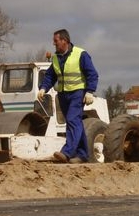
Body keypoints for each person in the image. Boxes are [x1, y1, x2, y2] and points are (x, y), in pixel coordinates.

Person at [37, 29, 99, 164]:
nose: (54, 44)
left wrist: (90, 91)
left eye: (56, 41)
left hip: (78, 93)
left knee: (72, 120)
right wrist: (43, 88)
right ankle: (82, 155)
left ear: (64, 41)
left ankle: (67, 152)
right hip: (63, 95)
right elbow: (50, 76)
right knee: (75, 123)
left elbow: (92, 74)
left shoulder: (81, 54)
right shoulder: (55, 58)